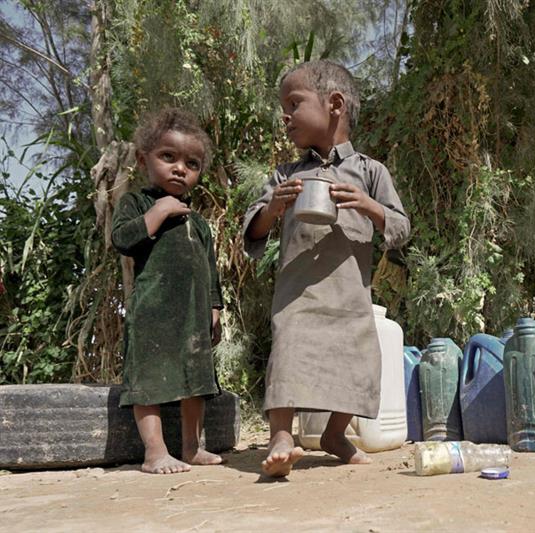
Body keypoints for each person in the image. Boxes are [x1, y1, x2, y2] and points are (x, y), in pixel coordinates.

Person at [242, 60, 410, 478]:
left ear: (335, 104)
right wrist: (273, 207)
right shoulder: (285, 174)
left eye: (294, 104)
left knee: (359, 359)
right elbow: (253, 228)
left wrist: (369, 206)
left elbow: (401, 226)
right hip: (297, 293)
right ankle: (281, 437)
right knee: (289, 351)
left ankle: (336, 435)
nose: (285, 117)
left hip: (349, 294)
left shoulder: (370, 172)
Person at [111, 108, 224, 474]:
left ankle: (192, 447)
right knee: (149, 378)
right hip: (152, 313)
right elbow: (122, 239)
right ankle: (155, 452)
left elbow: (210, 270)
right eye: (168, 157)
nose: (180, 168)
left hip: (193, 316)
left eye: (191, 163)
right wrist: (158, 212)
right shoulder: (137, 203)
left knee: (196, 380)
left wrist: (215, 308)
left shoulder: (198, 222)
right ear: (144, 159)